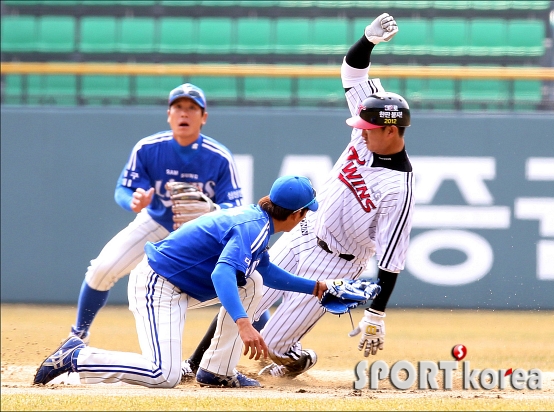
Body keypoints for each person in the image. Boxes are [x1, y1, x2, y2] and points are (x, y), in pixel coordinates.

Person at [182, 12, 415, 379]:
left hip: (339, 263)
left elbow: (391, 261)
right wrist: (367, 41)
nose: (361, 130)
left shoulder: (398, 189)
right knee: (243, 294)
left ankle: (297, 358)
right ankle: (193, 364)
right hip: (303, 233)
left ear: (391, 129)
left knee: (270, 348)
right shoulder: (366, 130)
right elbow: (352, 74)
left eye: (369, 127)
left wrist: (376, 313)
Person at [34, 175, 336, 388]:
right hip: (157, 284)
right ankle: (77, 356)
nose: (306, 217)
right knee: (162, 375)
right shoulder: (253, 228)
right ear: (296, 214)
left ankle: (217, 372)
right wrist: (244, 323)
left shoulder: (257, 221)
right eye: (306, 211)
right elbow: (221, 274)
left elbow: (268, 273)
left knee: (254, 281)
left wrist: (315, 287)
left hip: (179, 286)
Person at [67, 83, 244, 344]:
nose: (184, 113)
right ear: (169, 114)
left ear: (203, 117)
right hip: (157, 221)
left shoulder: (219, 157)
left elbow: (234, 209)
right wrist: (133, 201)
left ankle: (273, 344)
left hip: (202, 233)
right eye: (178, 107)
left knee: (245, 282)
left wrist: (212, 211)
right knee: (102, 269)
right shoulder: (149, 148)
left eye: (192, 108)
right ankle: (77, 336)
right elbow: (123, 189)